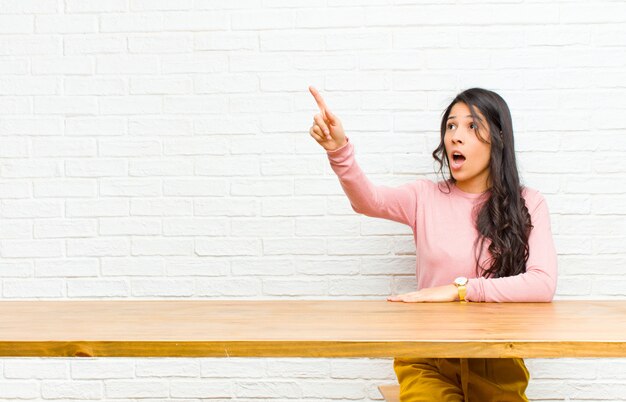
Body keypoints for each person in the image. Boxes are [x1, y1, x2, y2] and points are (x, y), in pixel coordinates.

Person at [307, 85, 558, 402]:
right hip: (426, 354)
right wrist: (339, 150)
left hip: (497, 357)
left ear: (498, 138)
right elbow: (368, 201)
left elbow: (542, 284)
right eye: (451, 125)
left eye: (471, 126)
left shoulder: (528, 202)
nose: (455, 135)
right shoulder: (423, 197)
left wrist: (460, 290)